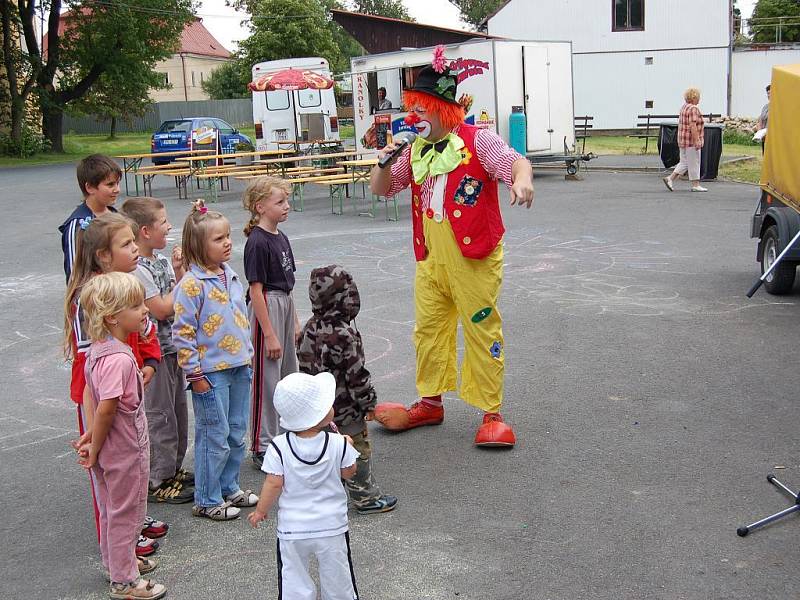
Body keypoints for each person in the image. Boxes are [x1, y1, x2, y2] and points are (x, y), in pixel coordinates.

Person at [369, 45, 534, 447]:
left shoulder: (478, 141)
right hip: (431, 258)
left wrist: (522, 180)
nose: (414, 118)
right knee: (428, 330)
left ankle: (491, 413)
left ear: (442, 110)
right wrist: (382, 162)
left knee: (480, 328)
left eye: (421, 110)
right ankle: (430, 402)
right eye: (413, 109)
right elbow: (382, 189)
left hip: (473, 255)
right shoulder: (414, 151)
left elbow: (516, 162)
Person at [64, 213, 166, 560]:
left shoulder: (127, 288)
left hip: (124, 386)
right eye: (126, 244)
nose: (136, 248)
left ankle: (130, 523)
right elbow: (89, 367)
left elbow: (146, 331)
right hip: (102, 396)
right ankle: (117, 549)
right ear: (103, 256)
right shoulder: (92, 298)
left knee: (129, 464)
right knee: (107, 469)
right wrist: (93, 429)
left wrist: (150, 362)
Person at [74, 272, 167, 600]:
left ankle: (118, 564)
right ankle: (125, 582)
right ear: (113, 316)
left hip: (108, 448)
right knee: (127, 514)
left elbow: (89, 392)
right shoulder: (119, 359)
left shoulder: (99, 350)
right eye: (136, 305)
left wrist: (88, 438)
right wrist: (95, 445)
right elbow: (107, 408)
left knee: (111, 508)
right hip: (123, 450)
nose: (144, 310)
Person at [172, 200, 258, 520]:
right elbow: (182, 333)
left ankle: (228, 485)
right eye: (218, 239)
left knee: (236, 431)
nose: (227, 243)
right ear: (198, 245)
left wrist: (247, 357)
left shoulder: (229, 275)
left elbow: (238, 318)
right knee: (214, 435)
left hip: (238, 366)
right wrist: (194, 374)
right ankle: (206, 499)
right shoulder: (191, 285)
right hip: (210, 373)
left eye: (228, 236)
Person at [248, 371, 361, 600]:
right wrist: (347, 448)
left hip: (293, 529)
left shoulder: (279, 447)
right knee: (338, 579)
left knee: (294, 581)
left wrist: (261, 510)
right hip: (331, 527)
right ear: (319, 414)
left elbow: (273, 483)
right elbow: (349, 472)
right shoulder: (337, 442)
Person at [297, 264, 398, 514]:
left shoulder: (310, 327)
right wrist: (369, 404)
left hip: (317, 410)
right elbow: (356, 375)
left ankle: (324, 496)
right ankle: (365, 497)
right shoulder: (343, 334)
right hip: (345, 408)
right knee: (357, 449)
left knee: (324, 450)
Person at [122, 197, 193, 504]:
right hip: (156, 352)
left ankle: (173, 468)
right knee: (160, 415)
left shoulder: (161, 262)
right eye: (164, 223)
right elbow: (163, 309)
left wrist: (178, 272)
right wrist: (187, 280)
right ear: (146, 231)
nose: (169, 227)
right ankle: (158, 478)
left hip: (173, 347)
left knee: (177, 413)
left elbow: (172, 299)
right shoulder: (138, 270)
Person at [241, 177, 301, 468]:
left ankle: (286, 434)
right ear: (260, 207)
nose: (286, 206)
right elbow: (256, 290)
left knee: (289, 373)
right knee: (267, 378)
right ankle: (262, 444)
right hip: (267, 307)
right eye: (280, 202)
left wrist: (294, 322)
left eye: (286, 201)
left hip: (283, 304)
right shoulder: (257, 242)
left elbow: (288, 286)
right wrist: (270, 335)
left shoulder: (281, 236)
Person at [59, 154, 122, 282]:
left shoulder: (117, 216)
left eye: (118, 183)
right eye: (110, 185)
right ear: (90, 187)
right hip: (97, 297)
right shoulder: (78, 224)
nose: (117, 189)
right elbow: (75, 276)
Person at [663, 87, 707, 193]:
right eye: (698, 97)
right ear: (694, 97)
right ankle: (695, 185)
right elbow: (693, 125)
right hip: (691, 141)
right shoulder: (693, 109)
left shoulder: (684, 107)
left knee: (684, 162)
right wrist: (697, 140)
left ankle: (670, 179)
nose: (699, 99)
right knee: (694, 162)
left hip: (682, 139)